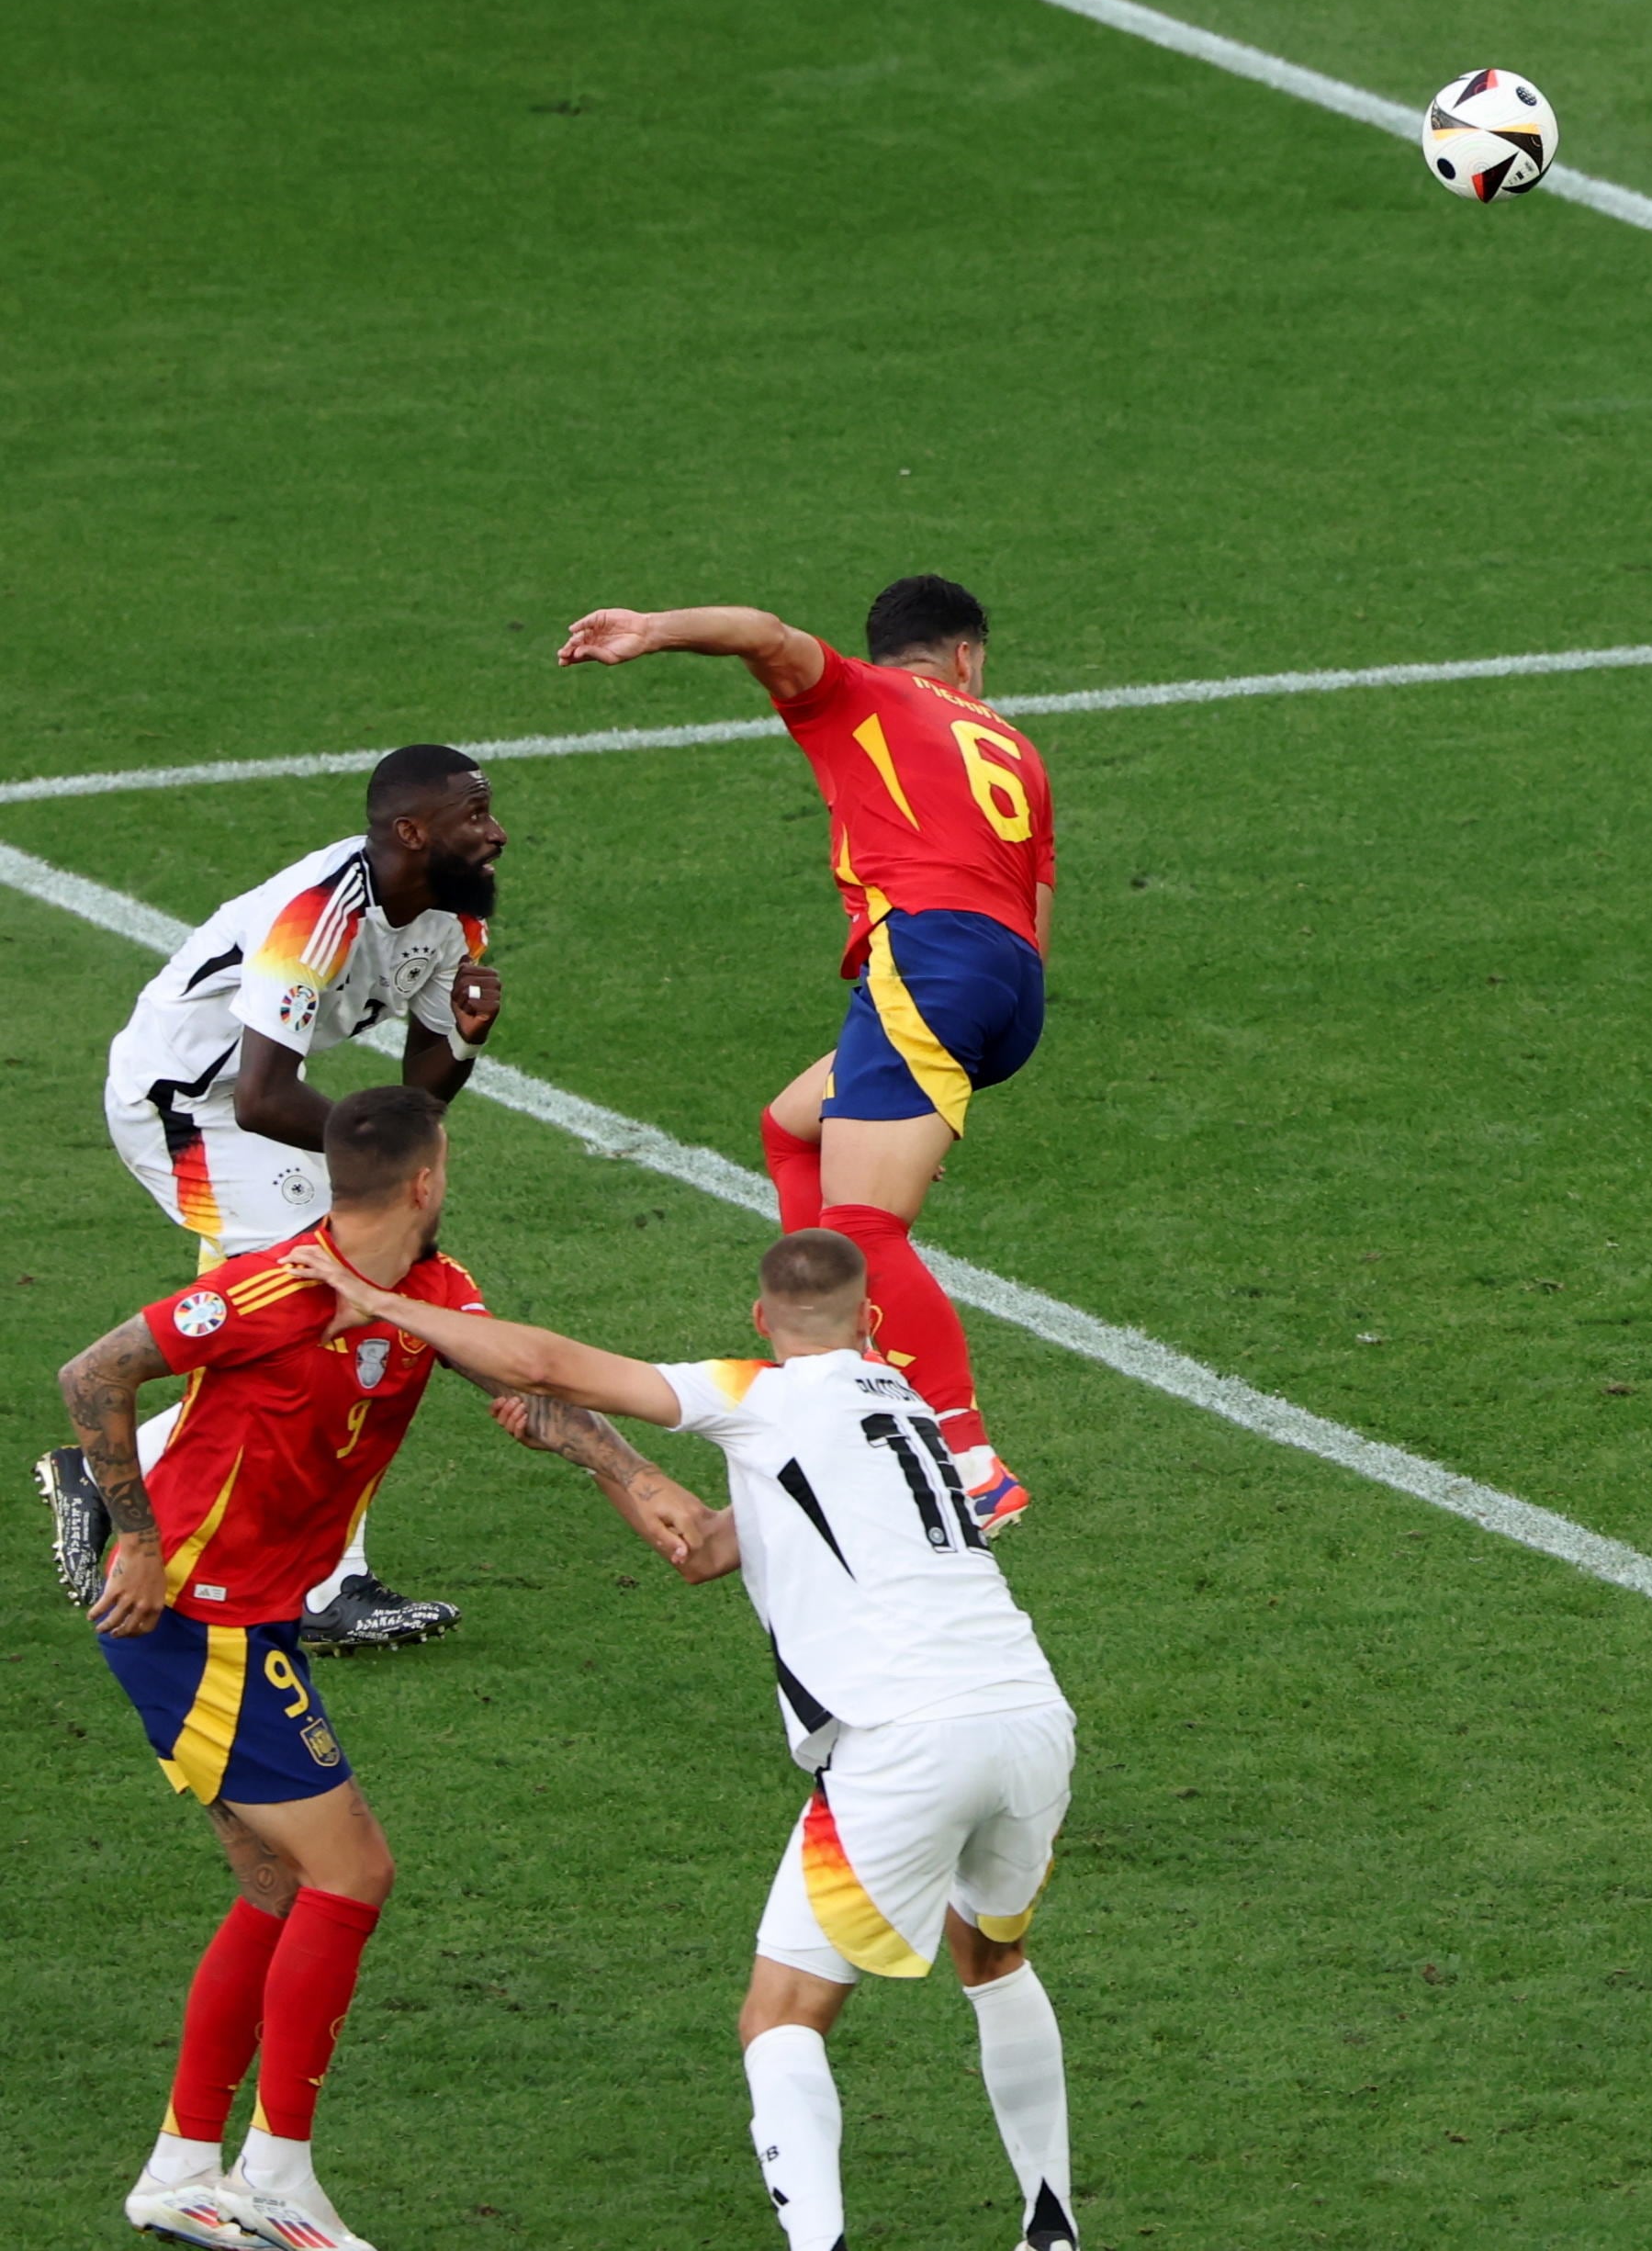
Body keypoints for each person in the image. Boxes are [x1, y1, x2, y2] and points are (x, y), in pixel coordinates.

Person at [287, 1226, 1083, 2251]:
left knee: (780, 2014)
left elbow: (540, 1361)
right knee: (994, 1954)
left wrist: (373, 1295)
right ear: (871, 1318)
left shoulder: (757, 1393)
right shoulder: (906, 1411)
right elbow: (704, 1546)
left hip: (901, 1738)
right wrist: (591, 1451)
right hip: (1027, 1717)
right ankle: (1050, 2229)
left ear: (760, 1320)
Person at [62, 1086, 714, 2251]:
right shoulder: (273, 1288)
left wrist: (639, 1480)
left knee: (276, 1886)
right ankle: (275, 2176)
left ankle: (179, 2168)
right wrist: (139, 1535)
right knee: (353, 1872)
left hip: (251, 1617)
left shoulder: (435, 1294)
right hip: (194, 1617)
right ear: (427, 1174)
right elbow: (93, 1372)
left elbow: (530, 1392)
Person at [555, 577, 1055, 1528]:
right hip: (1006, 982)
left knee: (865, 1224)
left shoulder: (864, 691)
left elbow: (765, 633)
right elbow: (1036, 907)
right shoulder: (1012, 744)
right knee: (792, 1129)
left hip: (929, 958)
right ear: (967, 657)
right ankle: (836, 1370)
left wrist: (652, 628)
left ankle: (967, 1457)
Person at [35, 746, 511, 1657]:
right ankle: (328, 1588)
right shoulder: (317, 916)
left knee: (352, 1289)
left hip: (250, 1106)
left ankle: (107, 1476)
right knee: (342, 1285)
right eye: (473, 816)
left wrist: (467, 1038)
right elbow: (262, 1095)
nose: (494, 832)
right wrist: (377, 1175)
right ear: (413, 833)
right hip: (182, 1103)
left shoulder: (455, 909)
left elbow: (419, 1105)